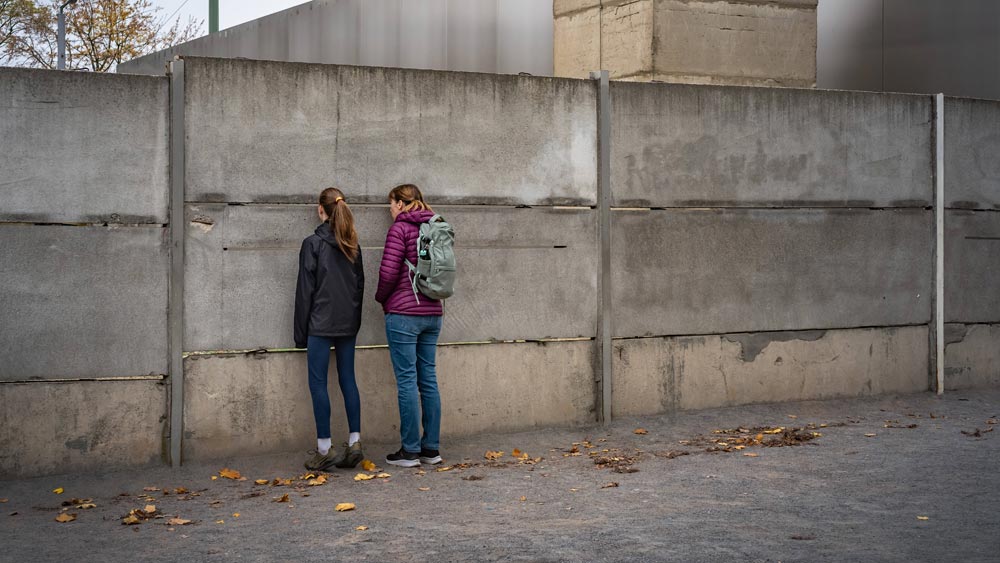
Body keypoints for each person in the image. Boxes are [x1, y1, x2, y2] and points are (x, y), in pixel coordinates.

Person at [294, 187, 365, 471]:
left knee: (318, 382)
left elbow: (304, 292)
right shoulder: (353, 245)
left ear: (320, 209)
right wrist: (354, 323)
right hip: (347, 323)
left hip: (320, 324)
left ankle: (325, 448)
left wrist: (301, 334)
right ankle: (355, 441)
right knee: (348, 379)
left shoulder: (312, 243)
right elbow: (359, 288)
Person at [376, 184, 445, 468]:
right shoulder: (436, 226)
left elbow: (389, 271)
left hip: (404, 313)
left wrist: (381, 298)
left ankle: (409, 450)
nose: (390, 211)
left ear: (401, 204)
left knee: (406, 380)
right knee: (427, 378)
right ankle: (431, 449)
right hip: (433, 311)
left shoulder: (400, 229)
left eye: (391, 205)